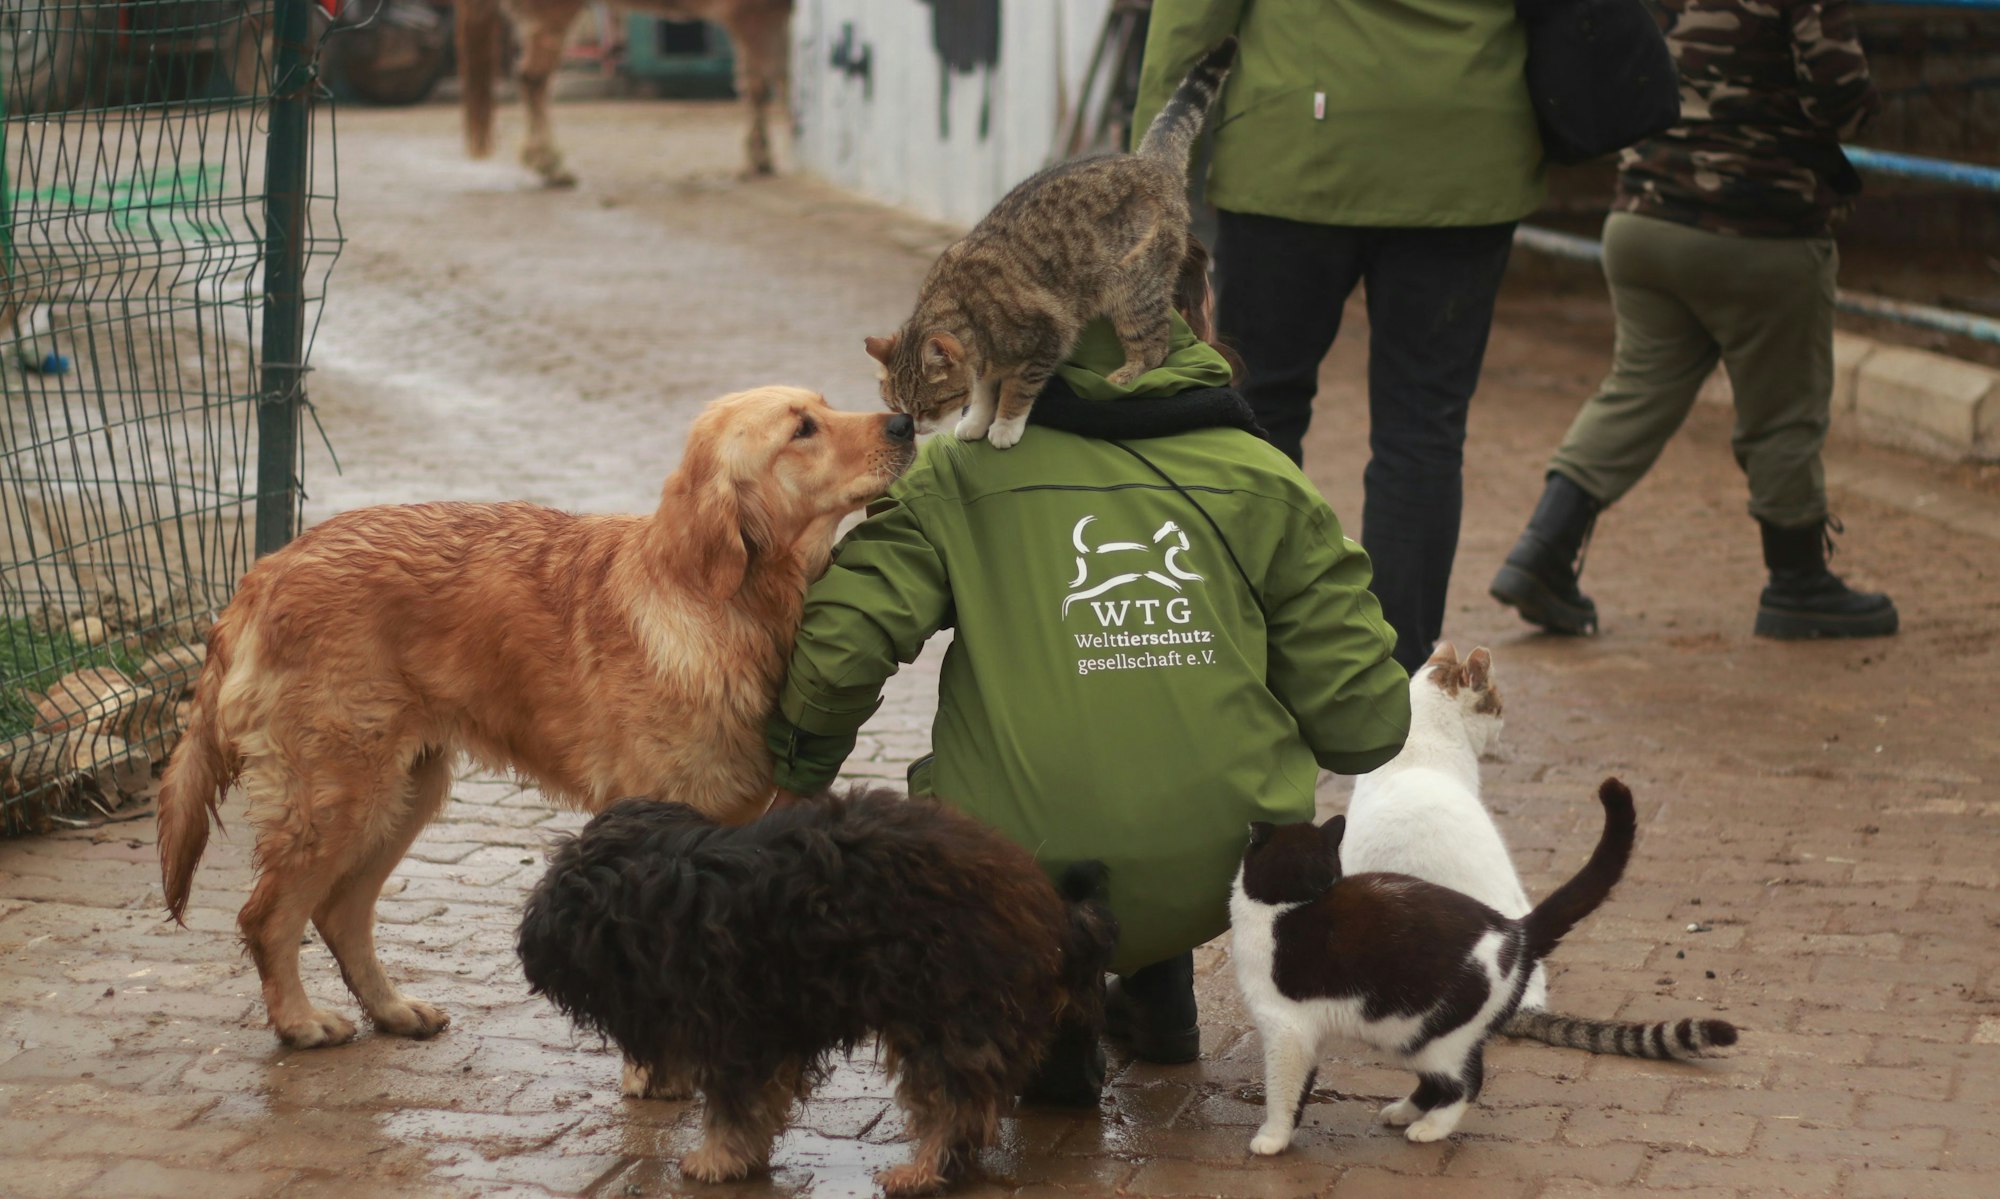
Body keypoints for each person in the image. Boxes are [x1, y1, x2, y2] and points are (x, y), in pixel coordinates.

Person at [765, 248, 1410, 1101]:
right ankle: (1160, 992)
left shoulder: (959, 471)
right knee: (1160, 770)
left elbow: (841, 647)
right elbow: (1367, 725)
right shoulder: (1265, 476)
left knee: (1063, 802)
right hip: (1226, 867)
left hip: (1019, 867)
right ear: (1192, 318)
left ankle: (1052, 1010)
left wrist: (799, 766)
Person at [1133, 0, 1549, 675]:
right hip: (1464, 149)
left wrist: (1150, 176)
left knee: (1253, 411)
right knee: (1424, 428)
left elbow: (1190, 17)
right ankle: (1387, 682)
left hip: (1295, 151)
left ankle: (1245, 651)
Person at [1489, 0, 1897, 640]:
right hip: (1760, 229)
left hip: (1643, 220)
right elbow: (1839, 94)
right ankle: (1798, 583)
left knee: (1635, 391)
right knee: (1783, 410)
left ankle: (1542, 550)